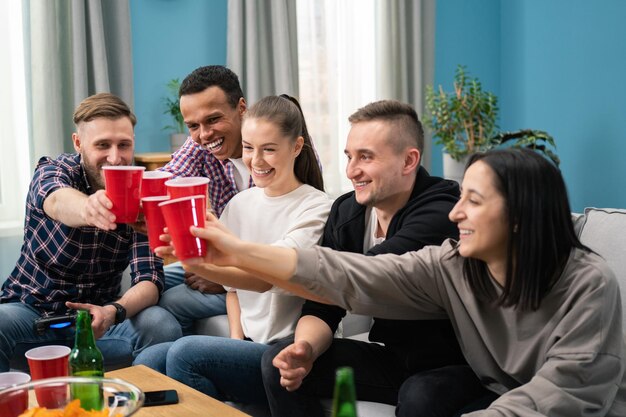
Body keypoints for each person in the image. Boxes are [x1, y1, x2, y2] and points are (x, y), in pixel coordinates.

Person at [180, 148, 626, 417]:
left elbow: (558, 397)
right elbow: (355, 275)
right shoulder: (454, 266)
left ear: (519, 215)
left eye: (473, 200)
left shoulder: (589, 286)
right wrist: (234, 251)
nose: (455, 213)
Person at [260, 100, 466, 416]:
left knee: (420, 396)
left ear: (409, 160)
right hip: (393, 358)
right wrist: (305, 350)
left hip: (452, 365)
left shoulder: (442, 210)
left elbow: (364, 276)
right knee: (276, 362)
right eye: (349, 156)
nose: (352, 170)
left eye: (366, 157)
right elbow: (323, 303)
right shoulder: (347, 212)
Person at [134, 95, 332, 406]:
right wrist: (235, 340)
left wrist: (196, 260)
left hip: (284, 350)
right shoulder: (241, 204)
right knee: (150, 358)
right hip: (250, 344)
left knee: (186, 354)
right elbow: (233, 289)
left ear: (295, 147)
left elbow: (266, 277)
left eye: (269, 149)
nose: (257, 160)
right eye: (250, 148)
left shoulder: (317, 207)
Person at [0, 93, 181, 372]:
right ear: (78, 143)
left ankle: (136, 405)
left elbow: (150, 279)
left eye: (124, 145)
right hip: (32, 316)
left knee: (160, 324)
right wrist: (88, 208)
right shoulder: (53, 170)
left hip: (98, 323)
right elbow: (56, 200)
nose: (115, 157)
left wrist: (113, 311)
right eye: (102, 145)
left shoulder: (143, 192)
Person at [157, 65, 250, 332]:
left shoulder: (274, 150)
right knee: (157, 282)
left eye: (213, 120)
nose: (204, 134)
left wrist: (223, 277)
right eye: (193, 126)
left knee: (171, 299)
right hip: (225, 258)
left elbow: (279, 249)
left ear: (241, 108)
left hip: (259, 270)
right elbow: (168, 176)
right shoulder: (202, 142)